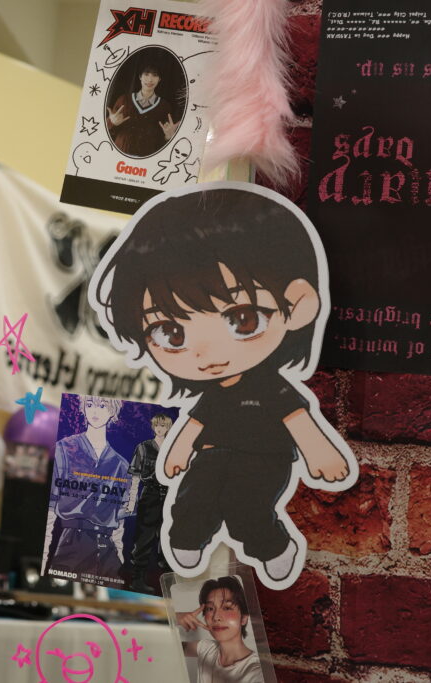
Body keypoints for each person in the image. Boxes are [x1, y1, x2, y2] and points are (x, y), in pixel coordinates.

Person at [92, 186, 353, 585]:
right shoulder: (213, 392)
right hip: (212, 454)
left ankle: (273, 548)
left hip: (264, 456)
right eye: (171, 332)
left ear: (296, 305)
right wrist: (179, 450)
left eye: (242, 319)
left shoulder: (272, 386)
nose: (207, 353)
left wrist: (319, 452)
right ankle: (186, 539)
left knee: (246, 507)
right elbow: (196, 422)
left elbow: (297, 418)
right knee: (191, 498)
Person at [43, 395, 131, 579]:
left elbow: (119, 524)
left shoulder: (121, 465)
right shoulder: (64, 449)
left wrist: (120, 560)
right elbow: (49, 512)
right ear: (83, 409)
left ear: (113, 411)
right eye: (90, 405)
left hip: (108, 550)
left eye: (102, 406)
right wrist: (43, 561)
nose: (95, 411)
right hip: (72, 543)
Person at [176, 576, 263, 683]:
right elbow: (166, 647)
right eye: (210, 609)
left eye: (227, 608)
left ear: (244, 618)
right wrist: (175, 617)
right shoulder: (206, 648)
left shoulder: (257, 672)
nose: (216, 617)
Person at [125, 412, 173, 592]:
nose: (160, 429)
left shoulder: (173, 447)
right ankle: (137, 580)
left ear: (168, 427)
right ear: (153, 426)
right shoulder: (143, 447)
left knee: (168, 539)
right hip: (150, 495)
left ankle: (169, 583)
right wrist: (131, 501)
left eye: (163, 425)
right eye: (157, 425)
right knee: (144, 539)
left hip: (170, 496)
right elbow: (135, 477)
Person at [106, 62, 180, 157]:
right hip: (120, 156)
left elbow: (163, 141)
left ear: (159, 79)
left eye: (155, 75)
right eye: (146, 74)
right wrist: (112, 123)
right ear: (140, 77)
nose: (150, 79)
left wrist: (168, 137)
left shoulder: (164, 106)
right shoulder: (124, 100)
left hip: (146, 160)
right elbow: (107, 132)